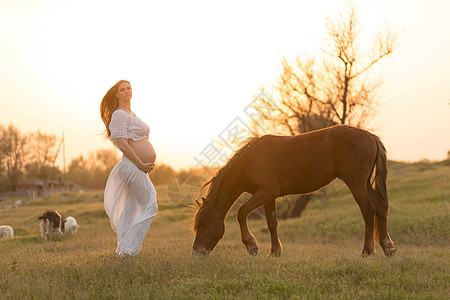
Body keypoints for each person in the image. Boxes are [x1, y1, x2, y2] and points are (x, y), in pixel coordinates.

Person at [100, 79, 158, 258]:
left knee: (130, 211)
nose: (127, 91)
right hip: (132, 166)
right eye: (122, 89)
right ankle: (129, 251)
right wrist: (141, 164)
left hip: (137, 167)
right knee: (151, 204)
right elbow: (123, 145)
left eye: (129, 88)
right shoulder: (119, 115)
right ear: (117, 94)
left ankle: (123, 253)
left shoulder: (131, 114)